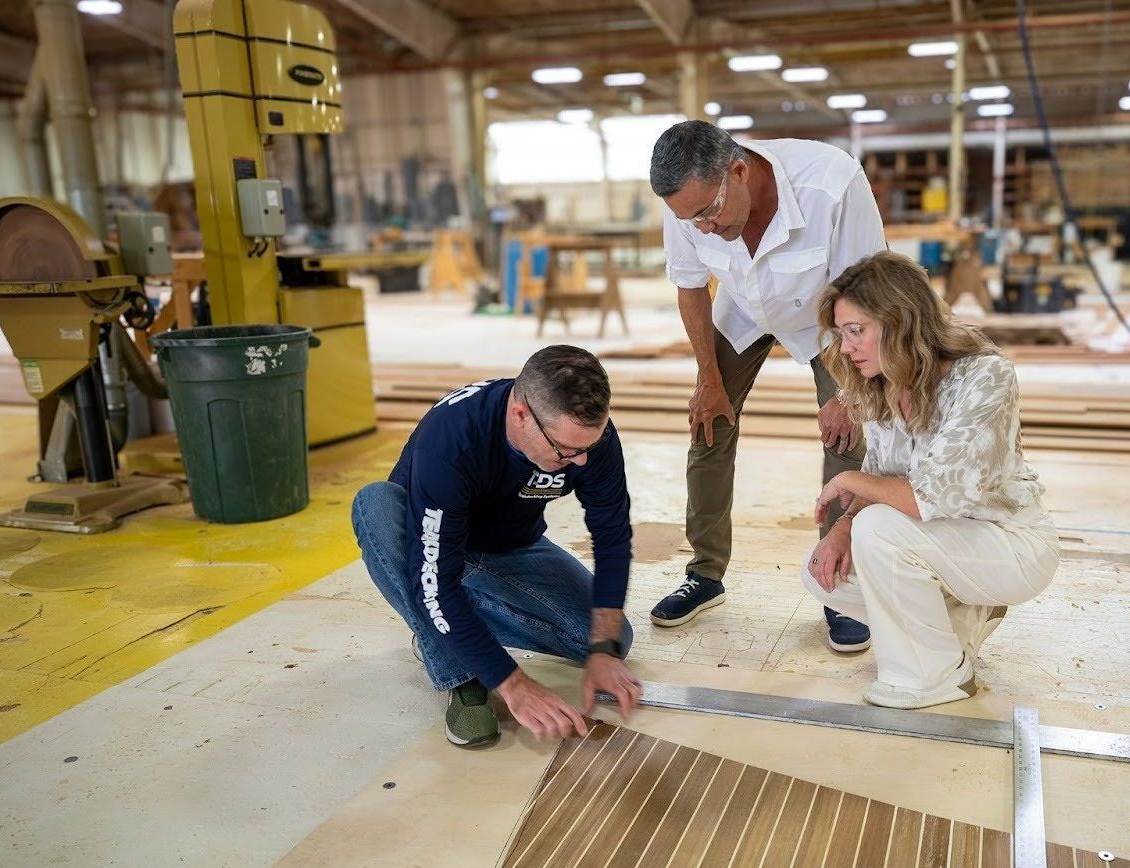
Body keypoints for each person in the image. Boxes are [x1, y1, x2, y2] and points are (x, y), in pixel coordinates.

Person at [646, 119, 886, 652]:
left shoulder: (833, 184)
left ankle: (839, 584)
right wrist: (709, 379)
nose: (702, 227)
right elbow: (690, 289)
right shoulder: (688, 204)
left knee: (848, 438)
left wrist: (848, 395)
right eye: (690, 219)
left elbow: (867, 292)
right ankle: (705, 574)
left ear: (738, 171)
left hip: (832, 315)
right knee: (708, 424)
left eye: (708, 212)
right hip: (746, 310)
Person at [801, 252, 1059, 709]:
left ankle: (935, 673)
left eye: (856, 331)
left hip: (1009, 544)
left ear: (899, 320)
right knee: (823, 573)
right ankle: (961, 621)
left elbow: (927, 498)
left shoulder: (984, 375)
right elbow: (883, 480)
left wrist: (852, 482)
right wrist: (841, 530)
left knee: (877, 530)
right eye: (842, 334)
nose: (845, 348)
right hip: (944, 543)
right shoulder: (881, 385)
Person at [351, 346, 642, 748]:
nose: (580, 462)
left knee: (608, 638)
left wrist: (604, 650)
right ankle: (461, 674)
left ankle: (446, 624)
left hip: (513, 547)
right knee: (376, 505)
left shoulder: (587, 441)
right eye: (565, 451)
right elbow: (435, 578)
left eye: (588, 448)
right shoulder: (450, 440)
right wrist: (512, 682)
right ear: (521, 415)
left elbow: (612, 538)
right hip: (427, 547)